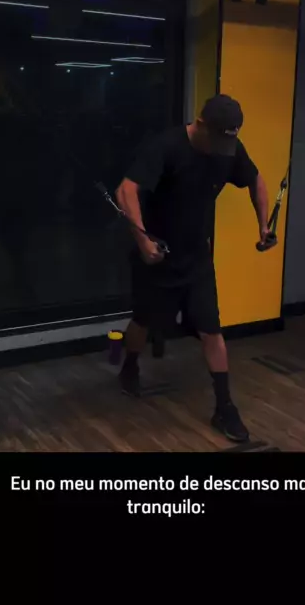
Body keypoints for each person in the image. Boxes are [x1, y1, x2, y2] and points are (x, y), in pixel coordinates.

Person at [115, 94, 271, 442]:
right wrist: (143, 240)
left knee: (211, 329)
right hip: (157, 254)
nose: (220, 150)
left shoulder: (228, 148)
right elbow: (126, 191)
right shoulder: (166, 147)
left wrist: (263, 225)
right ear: (200, 124)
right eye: (215, 140)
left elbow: (256, 180)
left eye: (227, 142)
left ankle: (224, 407)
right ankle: (129, 367)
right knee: (144, 320)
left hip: (197, 258)